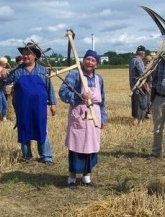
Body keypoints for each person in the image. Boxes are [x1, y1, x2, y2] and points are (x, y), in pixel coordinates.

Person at [59, 50, 107, 188]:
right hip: (79, 115)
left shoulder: (99, 79)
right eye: (88, 59)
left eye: (93, 60)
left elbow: (102, 99)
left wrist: (103, 118)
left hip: (94, 116)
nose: (90, 62)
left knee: (91, 147)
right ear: (83, 60)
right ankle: (72, 178)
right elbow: (63, 93)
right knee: (77, 147)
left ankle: (86, 177)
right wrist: (79, 96)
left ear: (96, 64)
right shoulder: (75, 75)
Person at [6, 42, 57, 164]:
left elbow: (49, 87)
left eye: (28, 53)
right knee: (24, 128)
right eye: (23, 54)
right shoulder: (16, 72)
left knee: (42, 128)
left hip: (39, 106)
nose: (25, 56)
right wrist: (6, 85)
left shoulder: (43, 70)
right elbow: (6, 82)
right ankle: (27, 156)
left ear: (35, 56)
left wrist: (53, 104)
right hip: (23, 106)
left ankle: (46, 156)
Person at [129, 45, 147, 126]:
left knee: (135, 103)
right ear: (142, 53)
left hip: (133, 85)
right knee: (141, 103)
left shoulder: (132, 60)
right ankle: (138, 121)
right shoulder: (139, 61)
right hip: (139, 86)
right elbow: (143, 74)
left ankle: (136, 119)